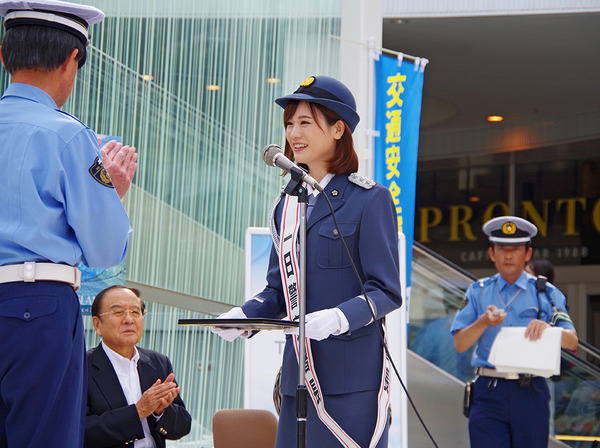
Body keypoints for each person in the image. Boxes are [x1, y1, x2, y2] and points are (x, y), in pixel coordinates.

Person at [212, 75, 402, 447]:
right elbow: (277, 290)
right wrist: (244, 317)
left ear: (337, 129)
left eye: (304, 122)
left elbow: (386, 291)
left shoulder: (369, 199)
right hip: (298, 375)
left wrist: (338, 318)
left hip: (351, 384)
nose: (293, 133)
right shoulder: (286, 204)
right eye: (289, 123)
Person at [0, 1, 135, 446]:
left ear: (3, 56)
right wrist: (111, 193)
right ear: (72, 59)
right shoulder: (69, 134)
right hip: (37, 306)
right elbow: (105, 251)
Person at [452, 216, 578, 448]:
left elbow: (571, 341)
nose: (508, 256)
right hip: (489, 389)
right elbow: (460, 343)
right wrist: (482, 322)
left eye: (516, 249)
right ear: (492, 254)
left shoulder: (546, 293)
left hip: (531, 391)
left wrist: (550, 329)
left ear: (527, 254)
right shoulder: (478, 291)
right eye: (502, 249)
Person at [86, 285, 192, 448]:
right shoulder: (82, 367)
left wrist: (161, 411)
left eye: (136, 312)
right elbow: (80, 430)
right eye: (118, 312)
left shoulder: (158, 362)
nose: (129, 319)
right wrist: (138, 412)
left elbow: (183, 426)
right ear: (97, 325)